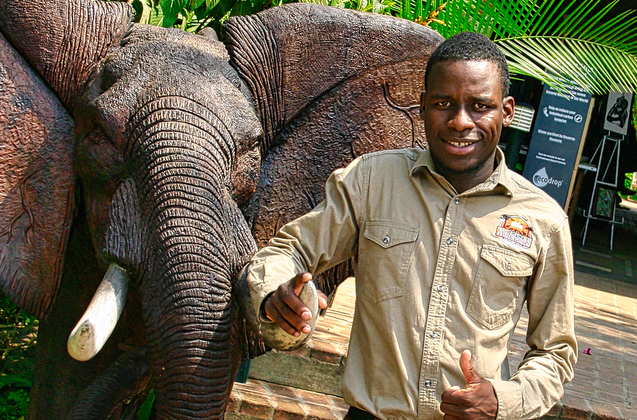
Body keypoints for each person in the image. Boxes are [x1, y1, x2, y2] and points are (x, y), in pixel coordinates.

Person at [243, 32, 577, 420]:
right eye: (443, 103)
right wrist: (275, 293)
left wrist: (503, 400)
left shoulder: (543, 220)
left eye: (480, 106)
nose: (459, 121)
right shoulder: (373, 180)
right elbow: (289, 251)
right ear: (421, 107)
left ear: (506, 111)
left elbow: (555, 353)